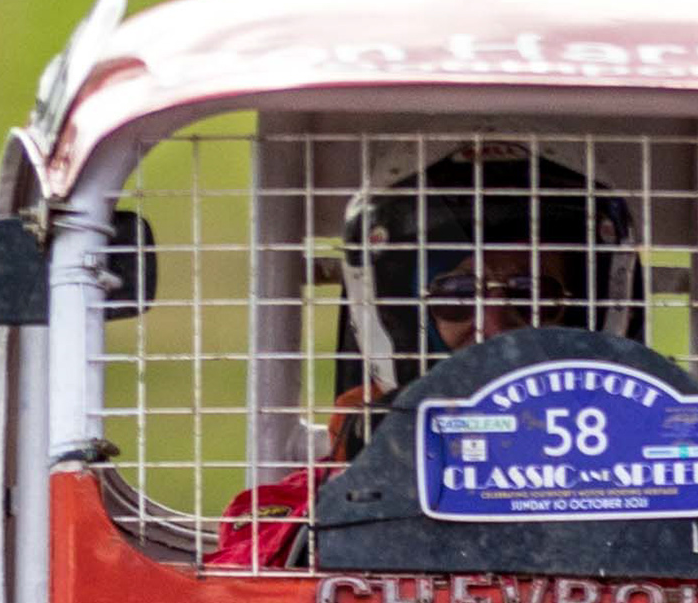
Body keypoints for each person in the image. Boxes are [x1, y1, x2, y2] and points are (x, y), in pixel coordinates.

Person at [207, 147, 643, 570]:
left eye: (530, 294)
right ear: (405, 312)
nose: (491, 326)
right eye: (455, 295)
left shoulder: (652, 469)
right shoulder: (340, 469)